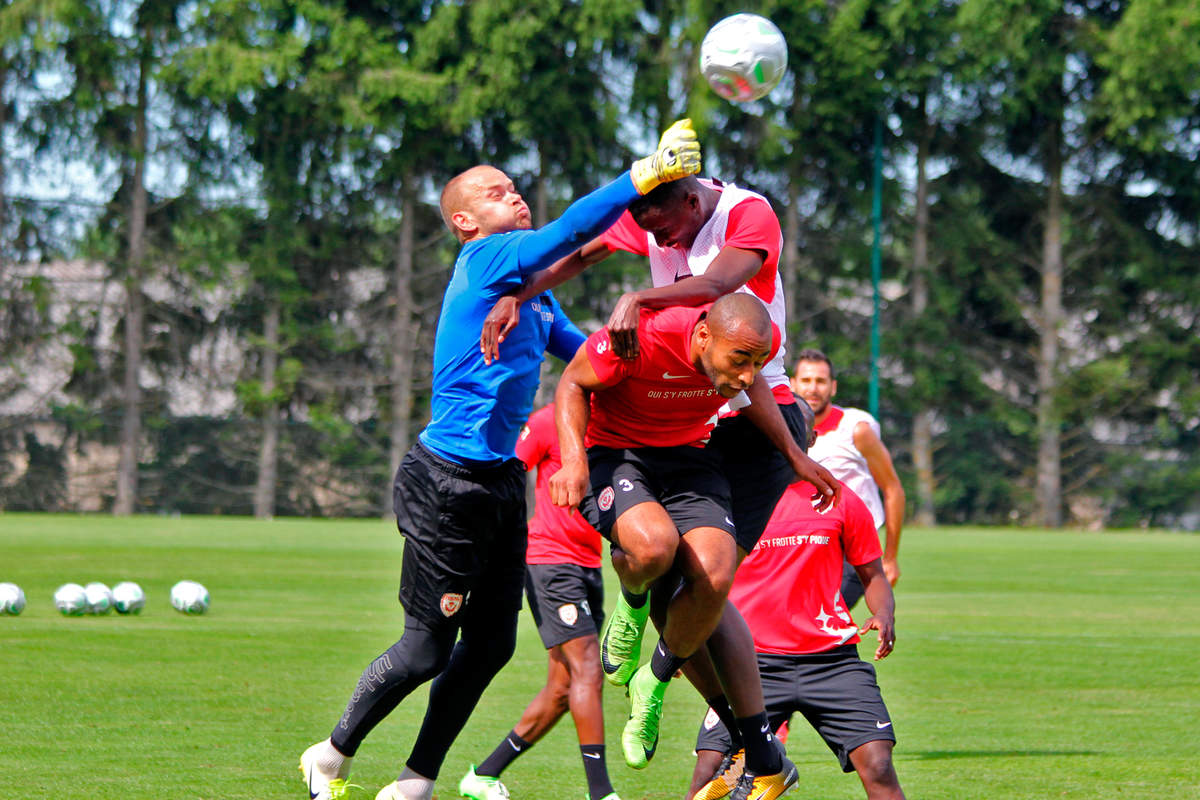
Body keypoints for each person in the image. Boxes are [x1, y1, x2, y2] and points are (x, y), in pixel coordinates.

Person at [298, 119, 702, 800]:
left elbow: (589, 360)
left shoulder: (530, 300)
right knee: (426, 648)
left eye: (514, 188)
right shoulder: (484, 261)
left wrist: (676, 367)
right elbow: (564, 235)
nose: (513, 197)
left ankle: (414, 783)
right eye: (495, 193)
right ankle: (330, 755)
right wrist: (644, 175)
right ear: (464, 221)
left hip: (500, 486)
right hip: (445, 485)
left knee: (490, 648)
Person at [479, 178, 840, 782]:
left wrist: (640, 297)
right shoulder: (646, 318)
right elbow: (587, 255)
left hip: (748, 428)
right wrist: (522, 293)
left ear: (692, 203)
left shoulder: (745, 217)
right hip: (656, 443)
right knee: (664, 560)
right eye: (644, 225)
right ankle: (746, 734)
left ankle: (659, 676)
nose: (655, 236)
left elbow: (725, 292)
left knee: (710, 579)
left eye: (663, 226)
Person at [553, 293, 808, 800]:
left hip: (691, 462)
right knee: (653, 550)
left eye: (758, 362)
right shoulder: (641, 338)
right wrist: (573, 460)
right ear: (703, 336)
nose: (747, 374)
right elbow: (571, 383)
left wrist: (794, 454)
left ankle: (654, 681)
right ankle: (631, 603)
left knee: (715, 574)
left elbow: (754, 393)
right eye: (740, 361)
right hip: (618, 456)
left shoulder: (751, 348)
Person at [686, 400, 906, 800]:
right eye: (776, 426)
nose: (782, 434)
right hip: (750, 665)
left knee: (878, 764)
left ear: (812, 437)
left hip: (832, 662)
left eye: (794, 426)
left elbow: (871, 574)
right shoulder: (731, 501)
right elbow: (701, 583)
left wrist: (883, 612)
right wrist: (689, 645)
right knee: (710, 769)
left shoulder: (838, 498)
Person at [458, 403, 620, 800]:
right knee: (587, 671)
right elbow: (508, 475)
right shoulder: (551, 421)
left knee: (563, 689)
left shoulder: (615, 425)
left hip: (589, 565)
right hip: (550, 561)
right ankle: (600, 793)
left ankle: (483, 775)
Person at [791, 349, 905, 609]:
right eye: (806, 381)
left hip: (853, 546)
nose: (813, 388)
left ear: (833, 387)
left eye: (820, 381)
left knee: (823, 612)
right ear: (792, 384)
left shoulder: (856, 429)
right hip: (809, 541)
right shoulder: (784, 428)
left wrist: (890, 558)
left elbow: (892, 488)